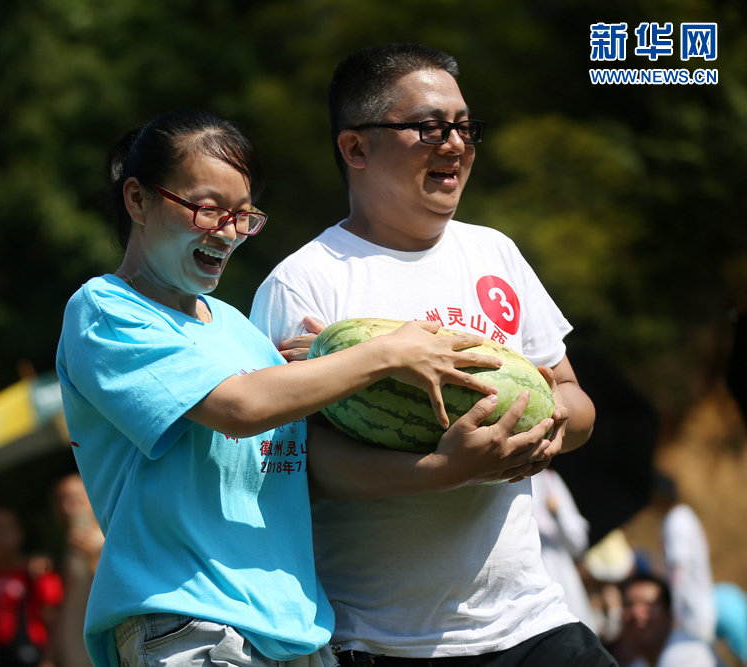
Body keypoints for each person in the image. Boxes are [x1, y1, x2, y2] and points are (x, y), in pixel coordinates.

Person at [56, 109, 554, 667]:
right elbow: (240, 408)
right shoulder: (105, 311)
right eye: (207, 208)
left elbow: (305, 456)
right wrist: (385, 353)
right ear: (138, 200)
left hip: (295, 630)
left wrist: (447, 464)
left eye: (243, 216)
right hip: (191, 622)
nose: (226, 232)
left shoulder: (237, 329)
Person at [250, 43, 609, 665]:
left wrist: (546, 432)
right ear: (355, 147)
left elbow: (574, 398)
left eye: (466, 127)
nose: (455, 144)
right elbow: (296, 468)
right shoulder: (304, 284)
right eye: (428, 127)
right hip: (382, 642)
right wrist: (447, 469)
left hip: (533, 623)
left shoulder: (494, 253)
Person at [0, 507, 64, 667]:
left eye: (8, 528)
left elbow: (54, 619)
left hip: (33, 653)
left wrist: (49, 659)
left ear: (20, 533)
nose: (2, 535)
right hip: (0, 656)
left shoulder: (37, 574)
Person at [651, 472, 716, 643]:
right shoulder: (686, 516)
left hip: (689, 615)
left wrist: (674, 612)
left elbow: (678, 569)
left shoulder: (675, 521)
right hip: (700, 609)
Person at [532, 467, 597, 630]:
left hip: (561, 579)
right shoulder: (498, 478)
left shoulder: (549, 480)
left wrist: (557, 514)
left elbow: (578, 544)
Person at [47, 474, 100, 667]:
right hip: (73, 652)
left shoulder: (106, 539)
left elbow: (115, 592)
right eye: (61, 501)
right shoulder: (70, 550)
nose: (67, 508)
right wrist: (50, 656)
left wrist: (93, 558)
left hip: (98, 653)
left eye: (76, 499)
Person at [620, 574, 716, 667]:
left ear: (669, 614)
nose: (636, 613)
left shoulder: (689, 651)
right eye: (629, 605)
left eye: (649, 605)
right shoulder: (638, 664)